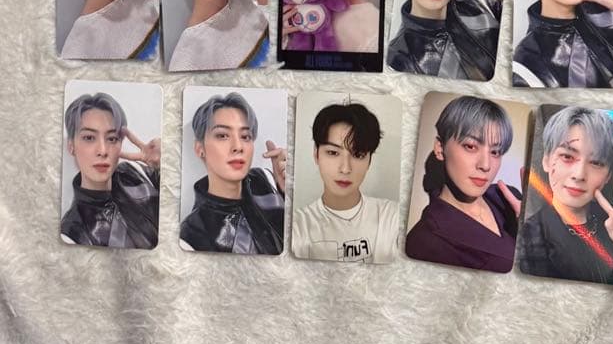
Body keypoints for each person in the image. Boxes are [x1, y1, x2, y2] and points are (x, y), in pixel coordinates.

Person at [519, 106, 613, 284]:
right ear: (547, 161)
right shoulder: (527, 239)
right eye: (567, 156)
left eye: (596, 162)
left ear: (608, 176)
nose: (579, 174)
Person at [405, 96, 521, 272]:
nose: (486, 165)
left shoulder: (509, 200)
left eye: (495, 151)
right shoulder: (423, 241)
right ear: (440, 148)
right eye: (471, 146)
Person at [180, 91, 286, 254]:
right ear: (200, 149)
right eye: (222, 135)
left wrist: (288, 193)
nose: (238, 146)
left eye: (245, 136)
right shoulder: (191, 237)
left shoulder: (265, 180)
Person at [292, 102, 399, 263]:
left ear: (369, 161)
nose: (345, 169)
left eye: (358, 155)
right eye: (333, 152)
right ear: (316, 155)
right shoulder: (297, 225)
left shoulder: (392, 216)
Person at [60, 92, 160, 248]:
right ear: (71, 146)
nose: (102, 151)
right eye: (89, 138)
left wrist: (162, 162)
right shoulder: (71, 234)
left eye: (112, 138)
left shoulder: (137, 173)